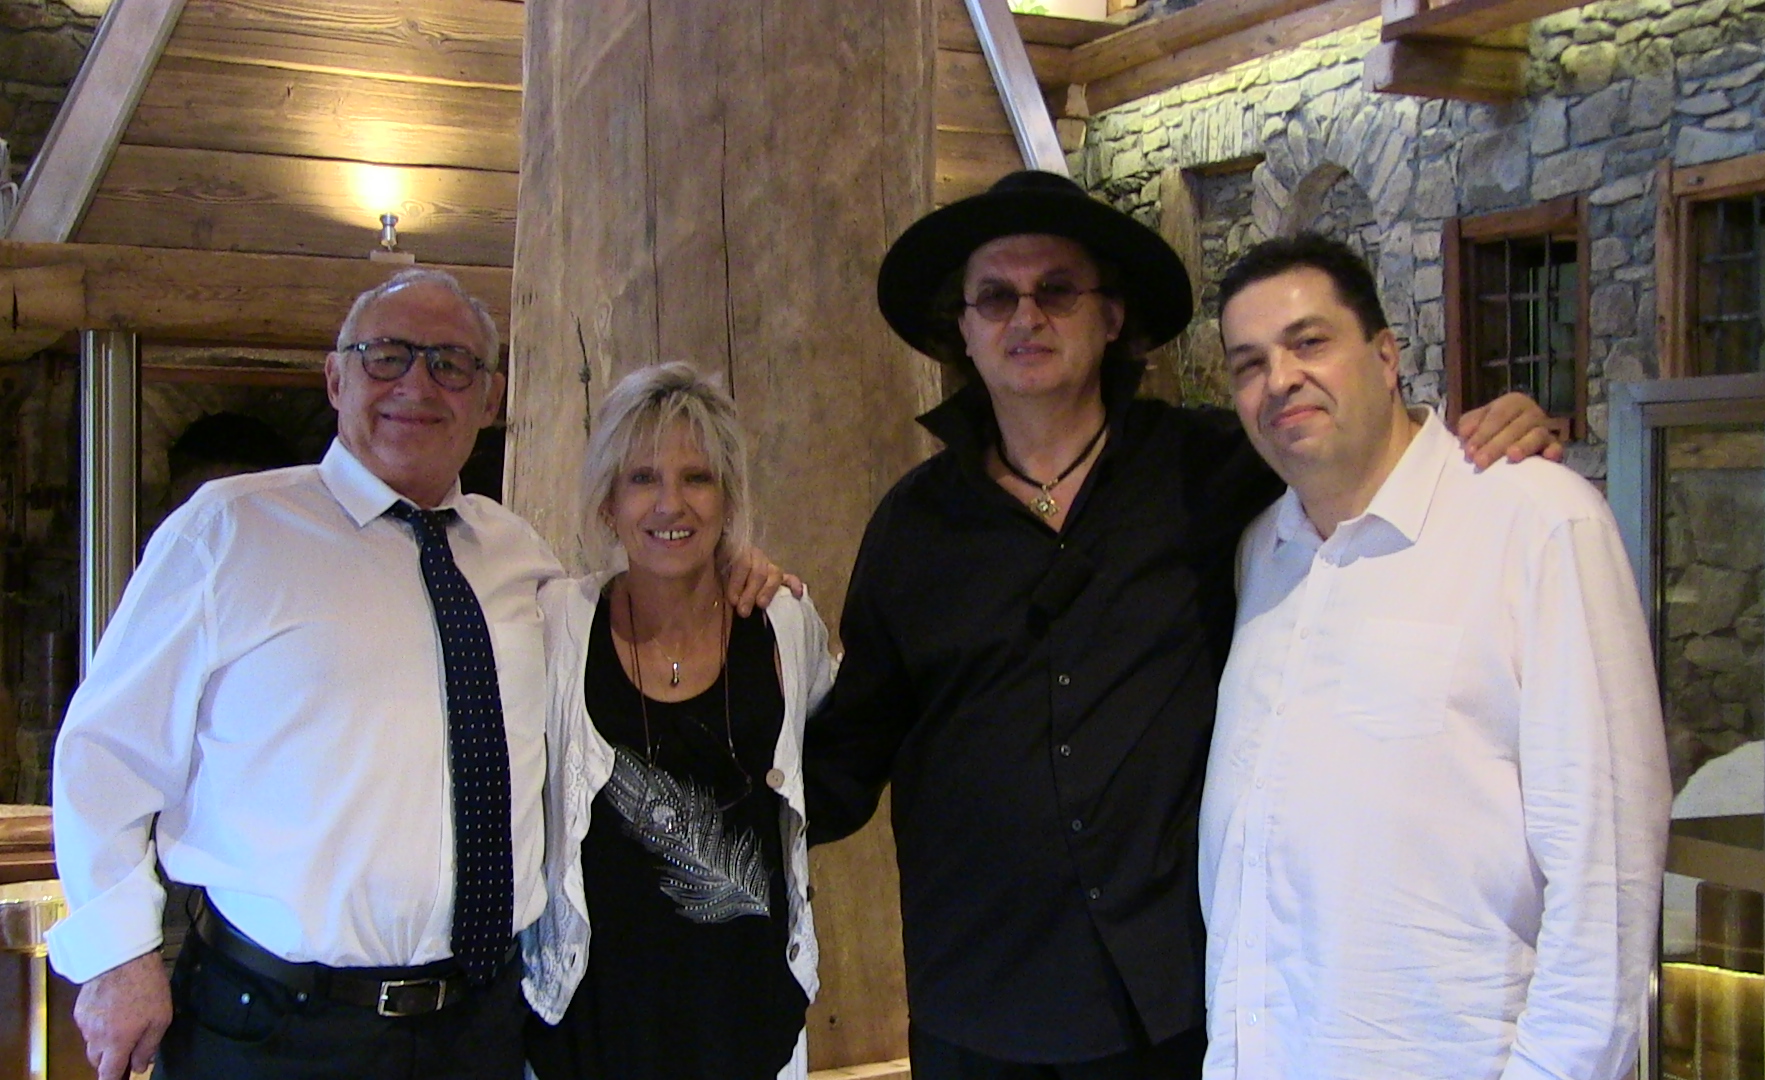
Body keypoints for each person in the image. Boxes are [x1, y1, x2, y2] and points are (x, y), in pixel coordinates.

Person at [802, 170, 1562, 1079]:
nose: (1025, 317)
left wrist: (1483, 428)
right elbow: (849, 752)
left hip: (1172, 1006)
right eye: (995, 296)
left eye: (1057, 290)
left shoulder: (1217, 471)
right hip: (978, 1002)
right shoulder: (913, 527)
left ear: (1111, 316)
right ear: (962, 327)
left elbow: (1362, 448)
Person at [47, 270, 783, 1080]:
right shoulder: (229, 532)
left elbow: (630, 639)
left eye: (450, 364)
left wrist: (728, 568)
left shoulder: (519, 557)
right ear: (337, 379)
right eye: (386, 356)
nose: (417, 385)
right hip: (278, 1028)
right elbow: (105, 754)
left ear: (490, 398)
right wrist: (117, 957)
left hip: (479, 1028)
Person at [1199, 233, 1670, 1080]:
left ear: (1386, 357)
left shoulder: (1535, 521)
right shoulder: (1262, 552)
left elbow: (1606, 873)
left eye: (1309, 342)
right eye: (1249, 364)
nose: (1281, 379)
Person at [521, 363, 832, 1080]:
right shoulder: (556, 623)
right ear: (608, 502)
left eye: (697, 478)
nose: (671, 504)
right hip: (595, 1022)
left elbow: (830, 760)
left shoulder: (783, 622)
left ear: (728, 498)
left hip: (745, 1017)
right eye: (642, 479)